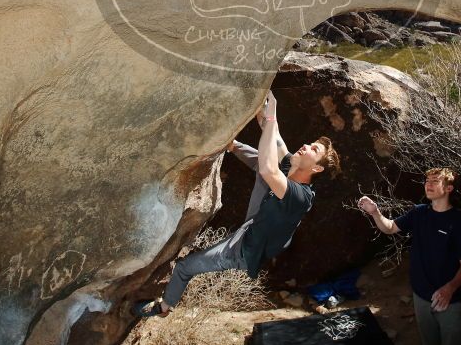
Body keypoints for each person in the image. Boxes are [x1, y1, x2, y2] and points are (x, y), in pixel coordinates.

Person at [134, 90, 340, 317]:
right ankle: (233, 146)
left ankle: (163, 308)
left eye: (314, 149)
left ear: (317, 168)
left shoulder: (300, 197)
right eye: (310, 143)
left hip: (243, 250)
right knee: (269, 167)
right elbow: (270, 130)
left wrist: (270, 119)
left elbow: (268, 167)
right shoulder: (291, 165)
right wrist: (261, 96)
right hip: (253, 225)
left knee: (185, 267)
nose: (306, 145)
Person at [357, 168, 461, 345]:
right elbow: (390, 228)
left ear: (449, 188)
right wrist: (375, 212)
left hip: (448, 301)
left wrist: (449, 289)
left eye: (435, 181)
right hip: (420, 297)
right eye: (427, 181)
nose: (428, 184)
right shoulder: (419, 213)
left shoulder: (458, 221)